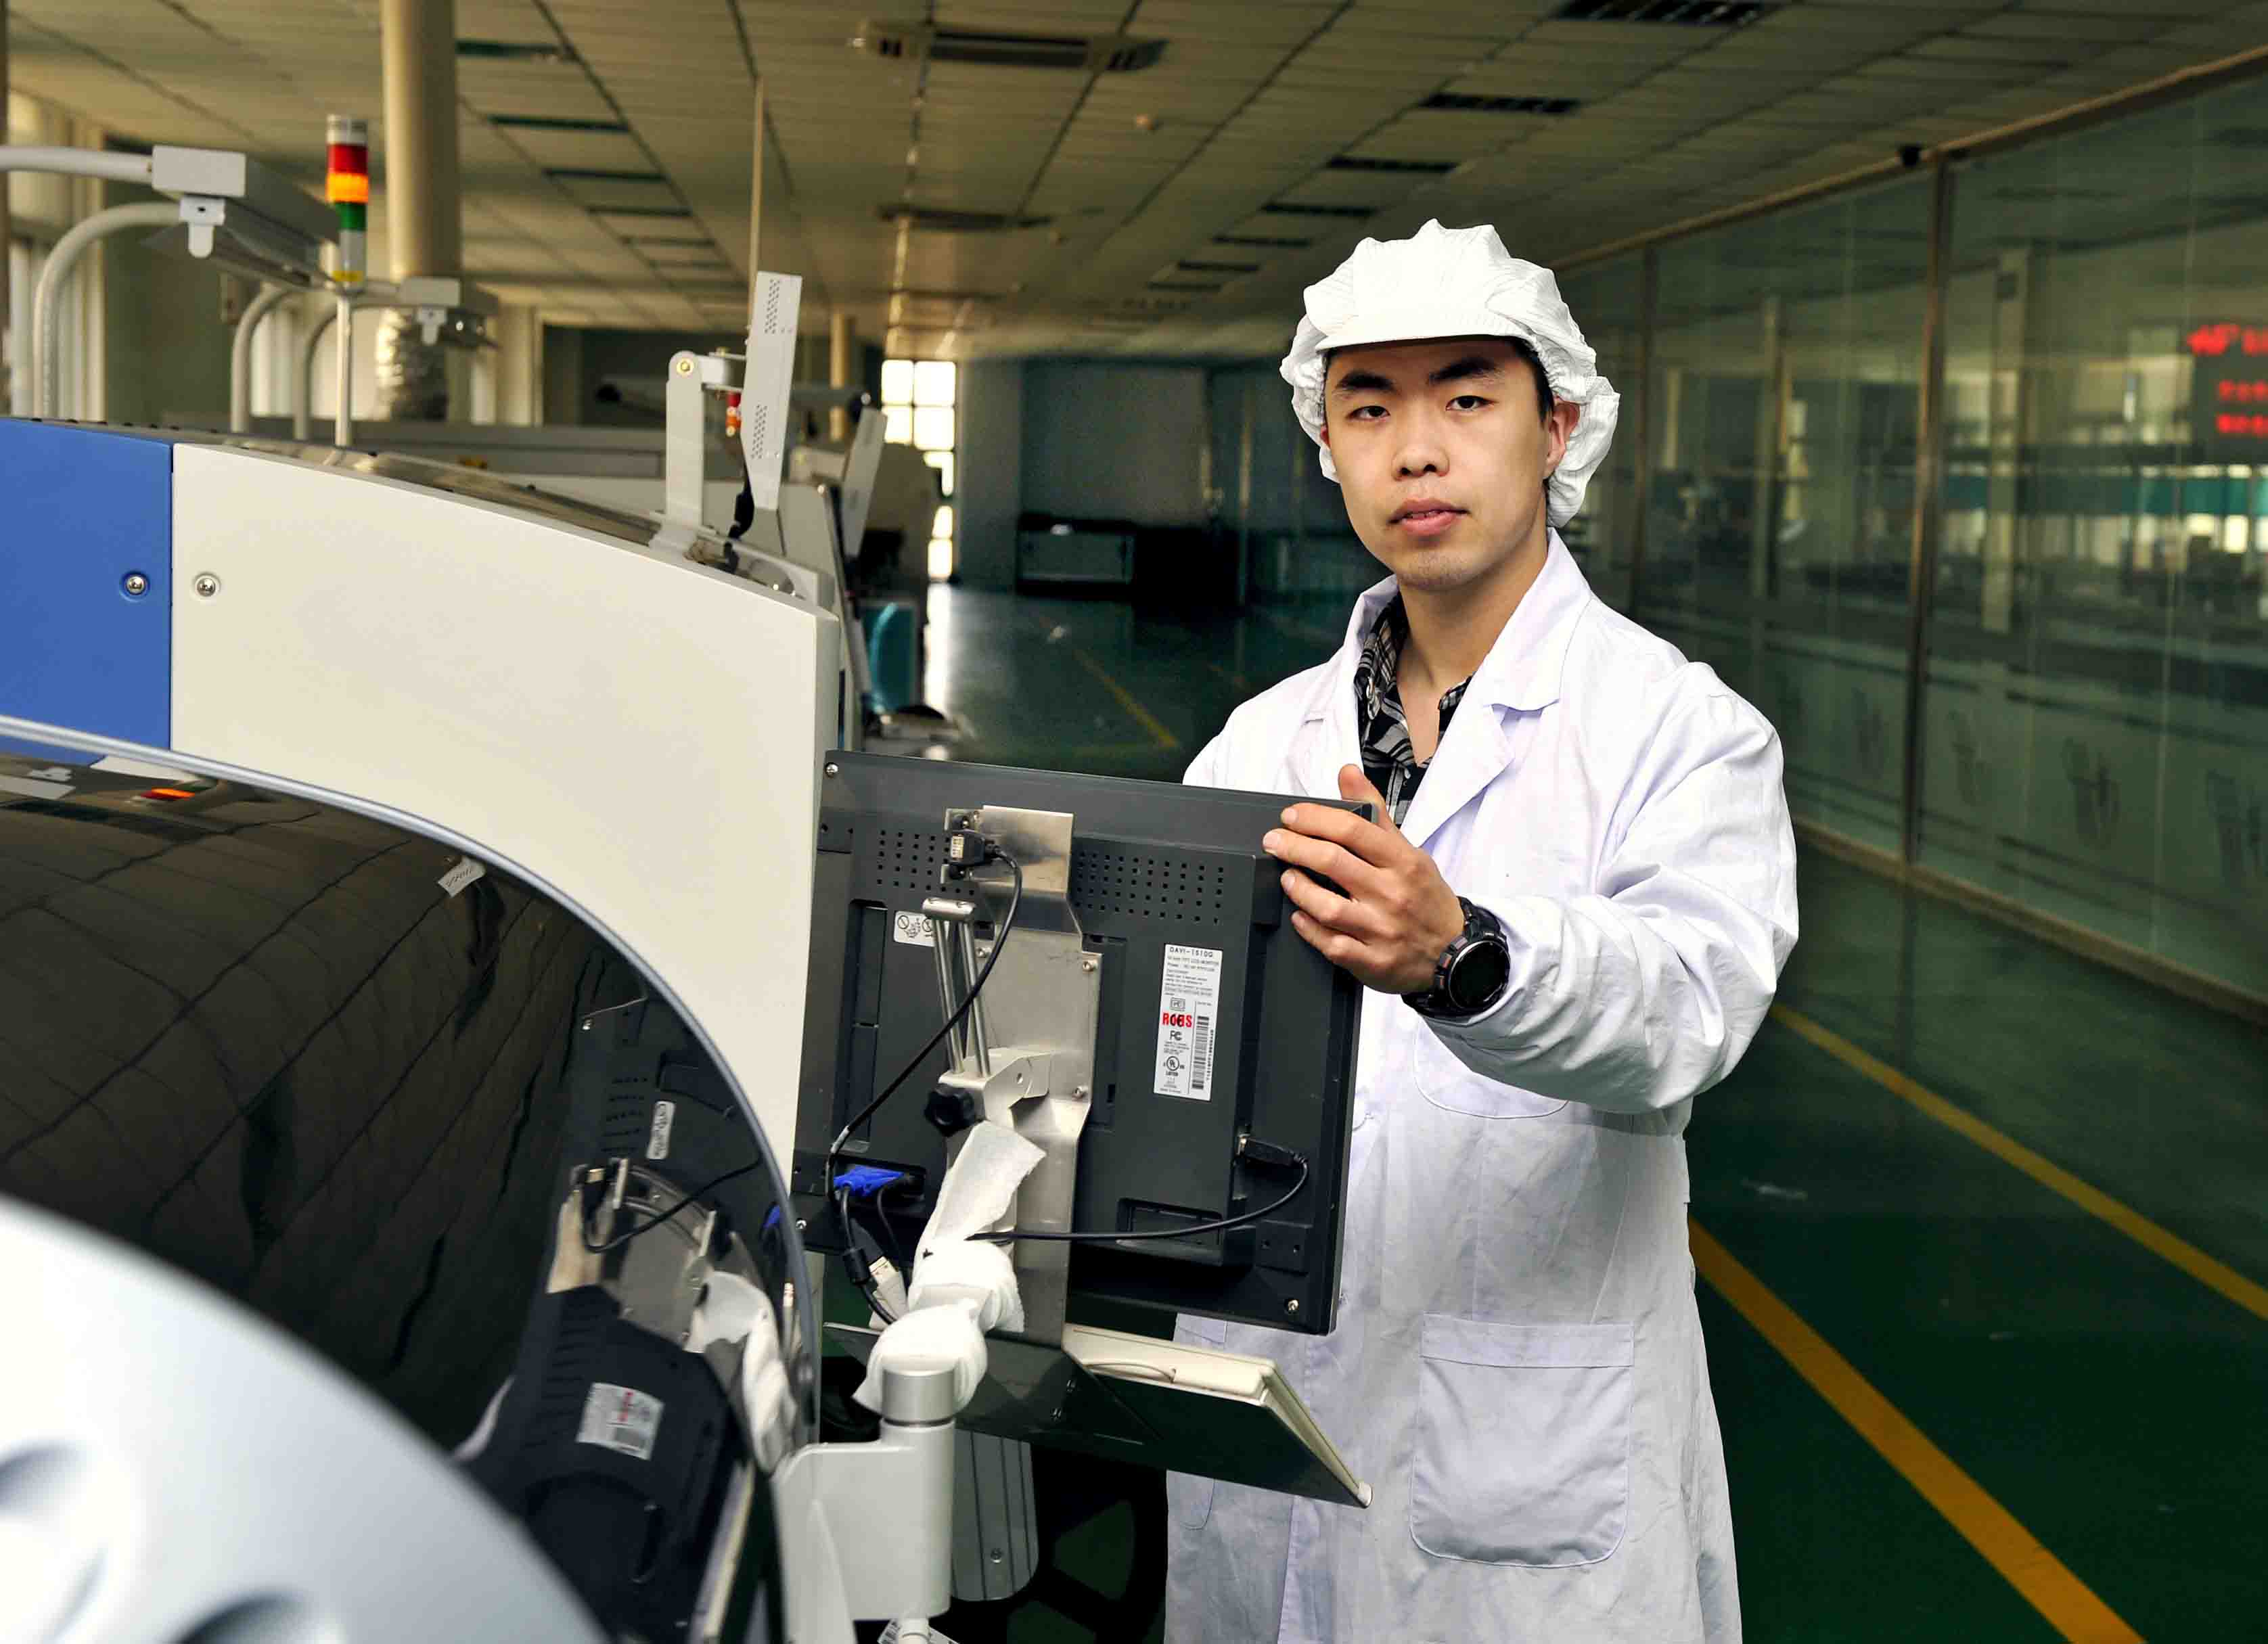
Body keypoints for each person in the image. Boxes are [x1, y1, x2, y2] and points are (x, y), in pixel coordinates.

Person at [1172, 220, 1798, 1644]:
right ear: (1326, 444)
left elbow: (1683, 1008)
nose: (1415, 451)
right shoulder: (1257, 746)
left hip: (1529, 1467)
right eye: (1368, 409)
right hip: (1267, 1425)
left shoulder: (1678, 731)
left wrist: (1462, 956)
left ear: (1555, 428)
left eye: (1464, 397)